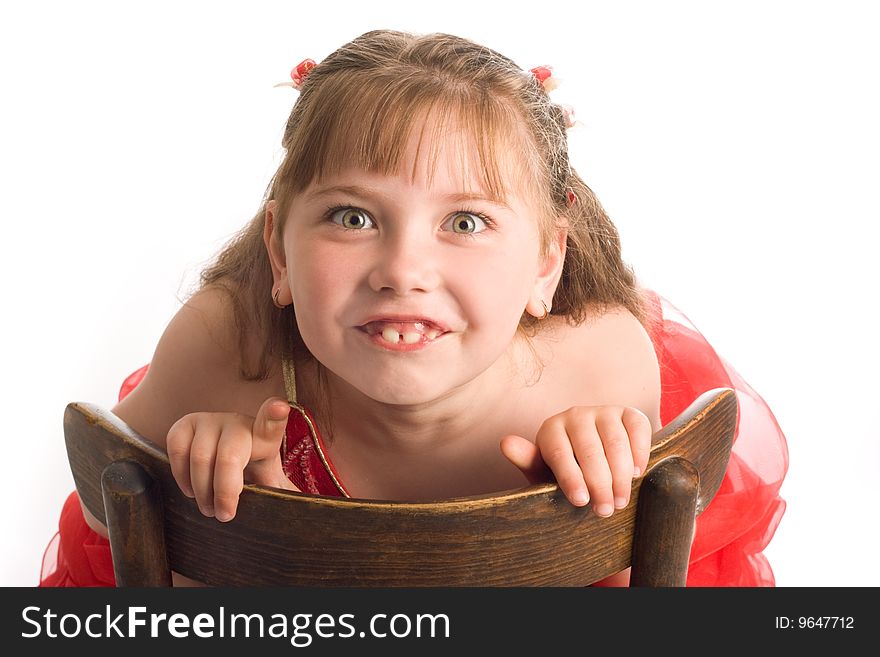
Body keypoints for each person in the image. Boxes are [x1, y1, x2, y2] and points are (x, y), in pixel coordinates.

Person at [40, 29, 787, 588]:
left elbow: (635, 589)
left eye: (465, 223)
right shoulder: (226, 350)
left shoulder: (593, 361)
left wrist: (600, 483)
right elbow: (111, 528)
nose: (403, 271)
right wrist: (201, 493)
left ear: (545, 263)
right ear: (279, 251)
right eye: (353, 217)